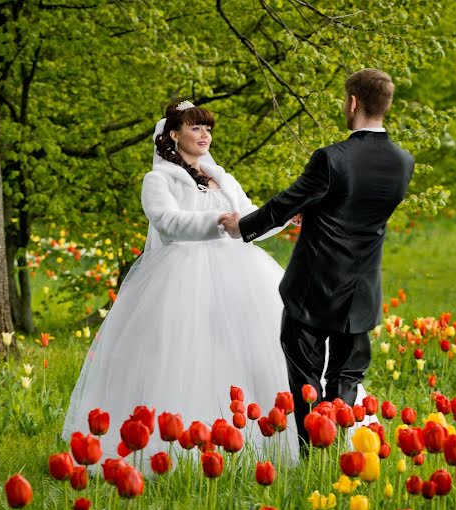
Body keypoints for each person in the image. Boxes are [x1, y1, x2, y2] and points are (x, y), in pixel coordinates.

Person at [62, 101, 299, 463]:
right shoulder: (158, 180)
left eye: (207, 129)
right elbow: (165, 220)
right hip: (182, 273)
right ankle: (177, 441)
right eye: (195, 128)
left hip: (240, 272)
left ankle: (254, 439)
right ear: (174, 135)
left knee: (248, 348)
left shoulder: (223, 176)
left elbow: (249, 216)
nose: (204, 135)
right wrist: (216, 222)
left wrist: (283, 218)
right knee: (185, 353)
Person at [220, 68, 415, 452]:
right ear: (386, 106)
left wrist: (242, 226)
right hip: (362, 290)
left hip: (313, 288)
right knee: (345, 379)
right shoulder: (403, 161)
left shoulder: (331, 159)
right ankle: (334, 457)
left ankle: (314, 457)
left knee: (305, 380)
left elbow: (284, 204)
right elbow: (358, 209)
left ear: (353, 102)